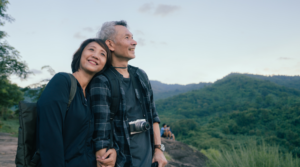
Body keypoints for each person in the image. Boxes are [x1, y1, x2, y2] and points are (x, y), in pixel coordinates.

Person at [90, 20, 168, 167]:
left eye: (132, 37)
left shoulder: (140, 75)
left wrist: (158, 149)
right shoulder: (102, 81)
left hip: (149, 162)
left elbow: (153, 116)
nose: (134, 42)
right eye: (127, 38)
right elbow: (101, 132)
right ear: (110, 45)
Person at [36, 38, 117, 167]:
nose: (96, 55)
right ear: (80, 55)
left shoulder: (93, 96)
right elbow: (49, 137)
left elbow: (94, 137)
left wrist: (112, 151)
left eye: (102, 54)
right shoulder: (62, 82)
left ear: (104, 65)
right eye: (91, 49)